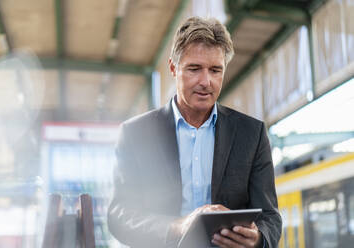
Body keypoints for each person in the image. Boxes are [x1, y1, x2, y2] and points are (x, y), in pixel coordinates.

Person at [107, 17, 282, 248]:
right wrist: (176, 227)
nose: (206, 81)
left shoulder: (252, 134)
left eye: (215, 70)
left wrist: (258, 239)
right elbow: (119, 216)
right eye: (194, 69)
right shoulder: (136, 134)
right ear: (173, 68)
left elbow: (271, 218)